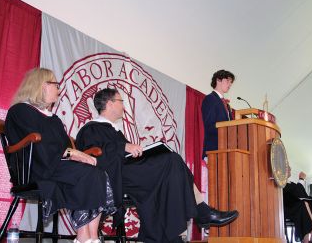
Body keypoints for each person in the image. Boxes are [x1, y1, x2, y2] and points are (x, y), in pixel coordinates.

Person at [76, 88, 239, 243]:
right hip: (116, 177)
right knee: (171, 161)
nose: (123, 105)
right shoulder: (91, 129)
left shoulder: (113, 130)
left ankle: (171, 234)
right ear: (110, 104)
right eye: (121, 101)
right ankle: (201, 213)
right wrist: (123, 147)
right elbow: (92, 156)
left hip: (129, 172)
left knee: (170, 169)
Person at [5, 68, 116, 243]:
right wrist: (72, 152)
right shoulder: (20, 111)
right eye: (55, 85)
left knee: (97, 172)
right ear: (41, 86)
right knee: (85, 174)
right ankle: (83, 236)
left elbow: (63, 148)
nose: (59, 89)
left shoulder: (54, 119)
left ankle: (92, 237)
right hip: (37, 167)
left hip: (57, 165)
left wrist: (76, 155)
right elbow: (41, 146)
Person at [201, 69, 235, 159]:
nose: (230, 84)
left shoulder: (226, 105)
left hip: (227, 151)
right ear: (218, 80)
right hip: (214, 150)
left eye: (231, 82)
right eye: (228, 80)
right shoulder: (210, 99)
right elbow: (210, 126)